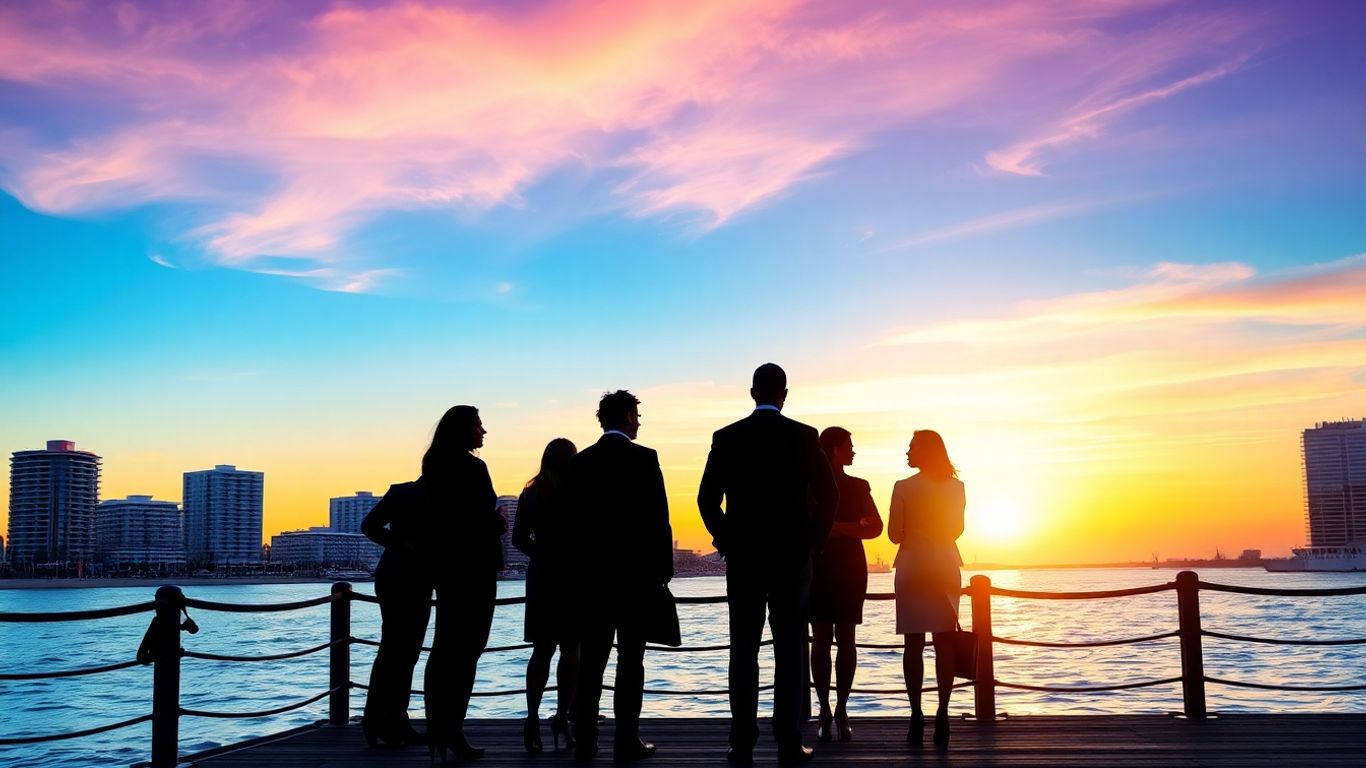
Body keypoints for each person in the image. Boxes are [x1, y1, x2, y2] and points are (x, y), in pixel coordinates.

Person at [698, 363, 839, 765]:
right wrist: (814, 540)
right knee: (790, 650)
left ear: (751, 392)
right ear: (785, 394)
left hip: (744, 560)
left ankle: (741, 742)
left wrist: (726, 540)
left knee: (743, 649)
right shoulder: (803, 436)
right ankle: (789, 740)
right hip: (793, 559)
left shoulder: (726, 438)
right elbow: (829, 495)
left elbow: (707, 500)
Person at [564, 390, 673, 762]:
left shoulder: (581, 463)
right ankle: (627, 738)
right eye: (637, 416)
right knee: (631, 661)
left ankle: (585, 736)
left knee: (591, 660)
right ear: (628, 415)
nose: (639, 422)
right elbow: (659, 520)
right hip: (635, 579)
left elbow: (571, 526)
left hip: (591, 580)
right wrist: (663, 572)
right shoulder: (644, 459)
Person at [420, 406, 504, 763]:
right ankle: (453, 731)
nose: (484, 431)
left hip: (447, 571)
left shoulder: (433, 464)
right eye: (479, 425)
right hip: (476, 570)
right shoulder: (474, 468)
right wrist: (498, 521)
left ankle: (437, 732)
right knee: (468, 652)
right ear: (465, 429)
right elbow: (481, 520)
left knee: (442, 651)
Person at [887, 429, 965, 749]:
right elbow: (957, 529)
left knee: (913, 645)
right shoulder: (957, 487)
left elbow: (893, 534)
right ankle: (943, 713)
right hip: (945, 565)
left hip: (912, 565)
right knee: (944, 643)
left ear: (926, 452)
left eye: (911, 447)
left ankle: (916, 714)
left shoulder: (903, 487)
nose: (907, 451)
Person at [809, 427, 883, 743]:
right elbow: (865, 526)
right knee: (826, 637)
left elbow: (876, 526)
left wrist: (834, 527)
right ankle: (830, 710)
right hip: (827, 566)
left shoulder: (855, 485)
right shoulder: (812, 485)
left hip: (839, 567)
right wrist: (854, 527)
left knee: (838, 638)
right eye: (850, 446)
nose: (854, 451)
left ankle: (836, 709)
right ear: (836, 449)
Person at [512, 438, 581, 753]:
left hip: (541, 576)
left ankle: (531, 718)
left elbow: (518, 539)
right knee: (571, 650)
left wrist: (540, 555)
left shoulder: (531, 492)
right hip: (573, 575)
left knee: (541, 650)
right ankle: (563, 717)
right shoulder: (579, 490)